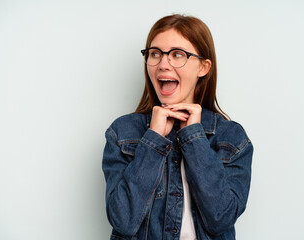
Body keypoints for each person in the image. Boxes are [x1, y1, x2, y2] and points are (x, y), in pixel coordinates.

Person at [102, 14, 253, 240]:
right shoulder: (122, 133)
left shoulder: (232, 138)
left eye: (177, 55)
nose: (163, 64)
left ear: (203, 67)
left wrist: (194, 138)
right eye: (155, 54)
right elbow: (123, 221)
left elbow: (221, 218)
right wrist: (152, 139)